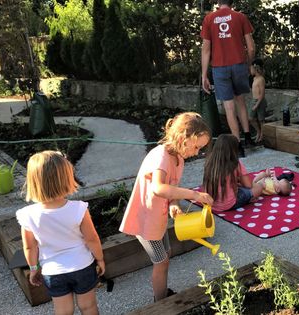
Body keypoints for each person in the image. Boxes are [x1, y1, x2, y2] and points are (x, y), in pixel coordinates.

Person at [119, 112, 214, 301]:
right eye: (196, 146)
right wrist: (194, 194)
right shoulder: (161, 156)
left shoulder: (178, 158)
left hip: (157, 218)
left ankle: (162, 295)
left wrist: (174, 203)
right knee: (161, 261)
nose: (196, 152)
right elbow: (158, 188)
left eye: (200, 148)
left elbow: (172, 188)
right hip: (145, 220)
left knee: (166, 254)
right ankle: (160, 303)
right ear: (182, 138)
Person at [16, 151, 105, 315]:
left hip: (53, 271)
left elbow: (29, 247)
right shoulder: (78, 208)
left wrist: (34, 268)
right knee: (88, 306)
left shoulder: (26, 215)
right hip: (82, 265)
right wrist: (100, 259)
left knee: (63, 311)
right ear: (66, 178)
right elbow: (92, 239)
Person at [201, 0, 256, 157]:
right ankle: (248, 137)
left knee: (229, 107)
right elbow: (251, 47)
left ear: (218, 2)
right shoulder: (240, 17)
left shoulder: (209, 19)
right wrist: (249, 64)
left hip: (219, 68)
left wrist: (204, 74)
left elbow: (206, 49)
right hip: (239, 65)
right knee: (240, 101)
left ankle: (237, 146)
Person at [249, 58, 267, 143]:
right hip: (254, 100)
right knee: (251, 118)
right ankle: (258, 131)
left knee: (261, 120)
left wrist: (257, 104)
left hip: (260, 101)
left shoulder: (261, 79)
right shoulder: (254, 78)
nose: (250, 70)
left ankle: (262, 135)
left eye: (251, 68)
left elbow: (262, 94)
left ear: (256, 68)